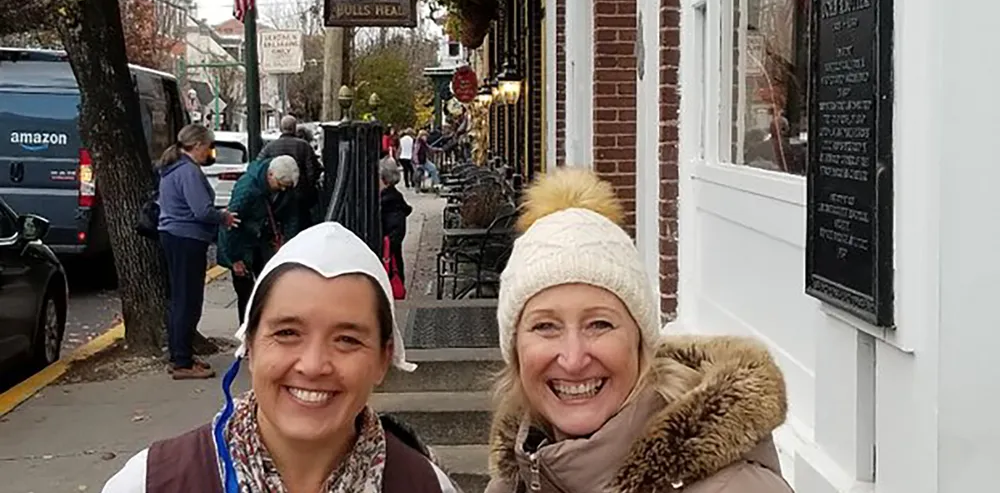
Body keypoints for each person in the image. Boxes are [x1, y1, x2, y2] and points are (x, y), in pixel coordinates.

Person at [485, 168, 791, 493]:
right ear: (515, 349)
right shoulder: (513, 481)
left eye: (599, 324)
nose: (573, 359)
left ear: (640, 341)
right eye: (545, 326)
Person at [102, 223, 460, 493]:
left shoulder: (425, 485)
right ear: (251, 345)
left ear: (384, 359)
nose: (313, 364)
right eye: (287, 333)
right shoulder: (153, 482)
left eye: (347, 339)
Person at [157, 124, 239, 380]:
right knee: (188, 299)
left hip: (173, 235)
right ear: (198, 146)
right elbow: (201, 210)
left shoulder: (172, 169)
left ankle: (179, 353)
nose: (210, 151)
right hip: (187, 237)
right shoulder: (189, 172)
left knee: (179, 297)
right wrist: (223, 217)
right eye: (209, 146)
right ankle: (182, 360)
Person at [217, 155, 301, 325]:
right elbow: (230, 224)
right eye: (280, 185)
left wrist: (286, 244)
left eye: (286, 187)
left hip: (264, 242)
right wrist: (234, 260)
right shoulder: (247, 189)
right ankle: (247, 335)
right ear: (270, 175)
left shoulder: (284, 186)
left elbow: (292, 217)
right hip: (243, 243)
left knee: (270, 289)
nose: (283, 190)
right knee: (246, 295)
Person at [258, 114, 323, 227]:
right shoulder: (304, 146)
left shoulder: (270, 147)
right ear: (294, 128)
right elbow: (312, 171)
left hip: (276, 198)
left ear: (280, 128)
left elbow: (259, 165)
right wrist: (308, 188)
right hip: (299, 198)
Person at [379, 157, 412, 290]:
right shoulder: (388, 199)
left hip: (389, 263)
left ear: (385, 180)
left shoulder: (392, 201)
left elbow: (396, 234)